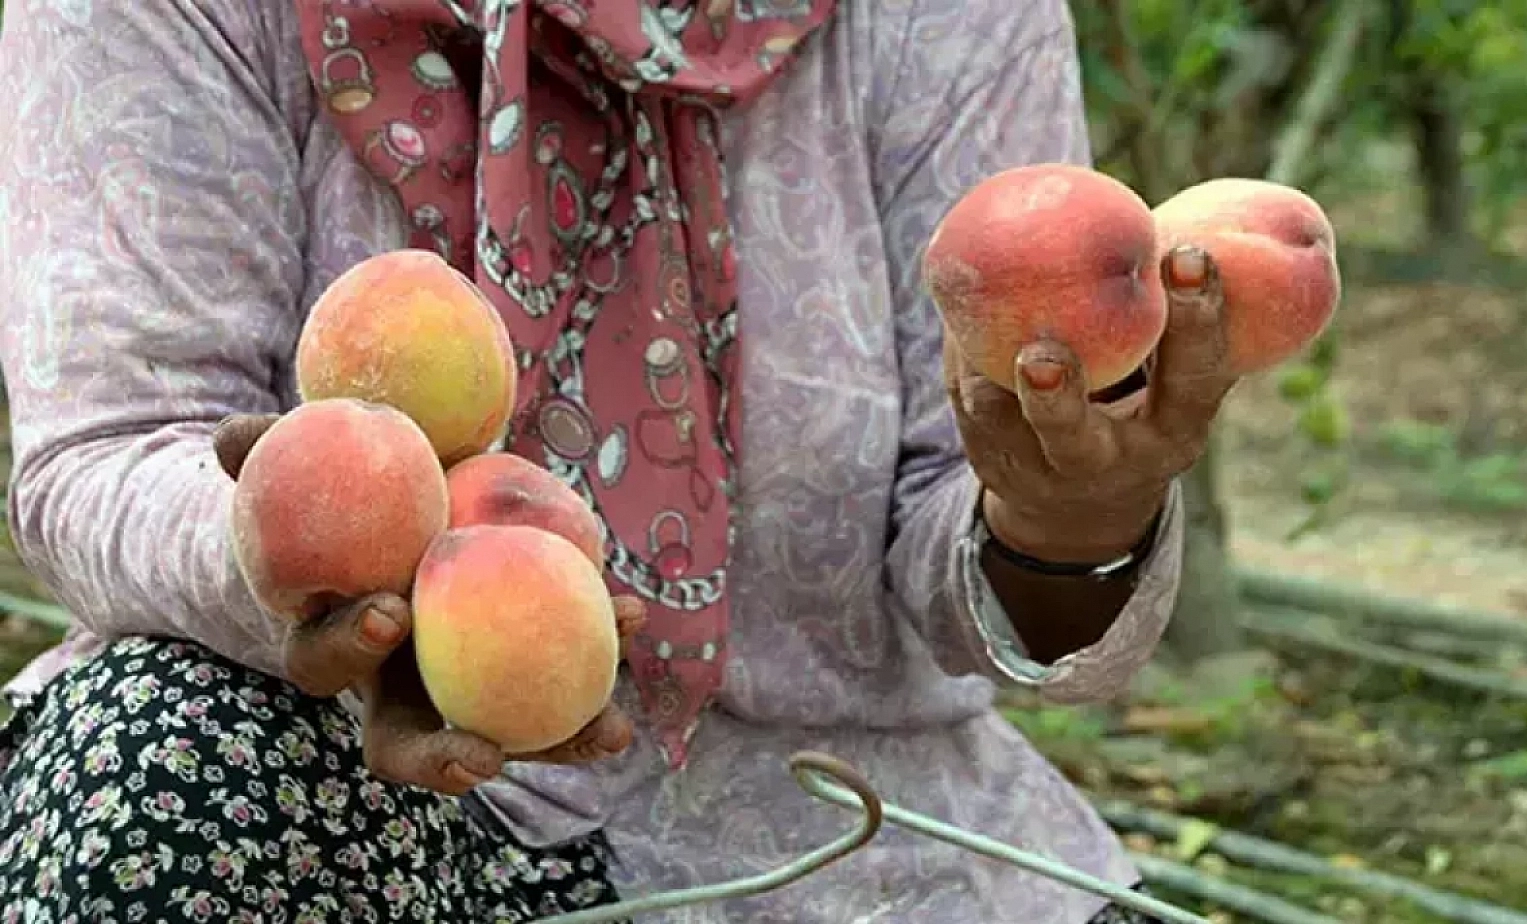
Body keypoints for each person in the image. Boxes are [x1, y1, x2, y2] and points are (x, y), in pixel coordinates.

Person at [0, 1, 1240, 921]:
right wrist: (322, 562)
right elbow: (114, 450)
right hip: (331, 792)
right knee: (161, 764)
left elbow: (955, 535)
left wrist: (1073, 512)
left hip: (846, 840)